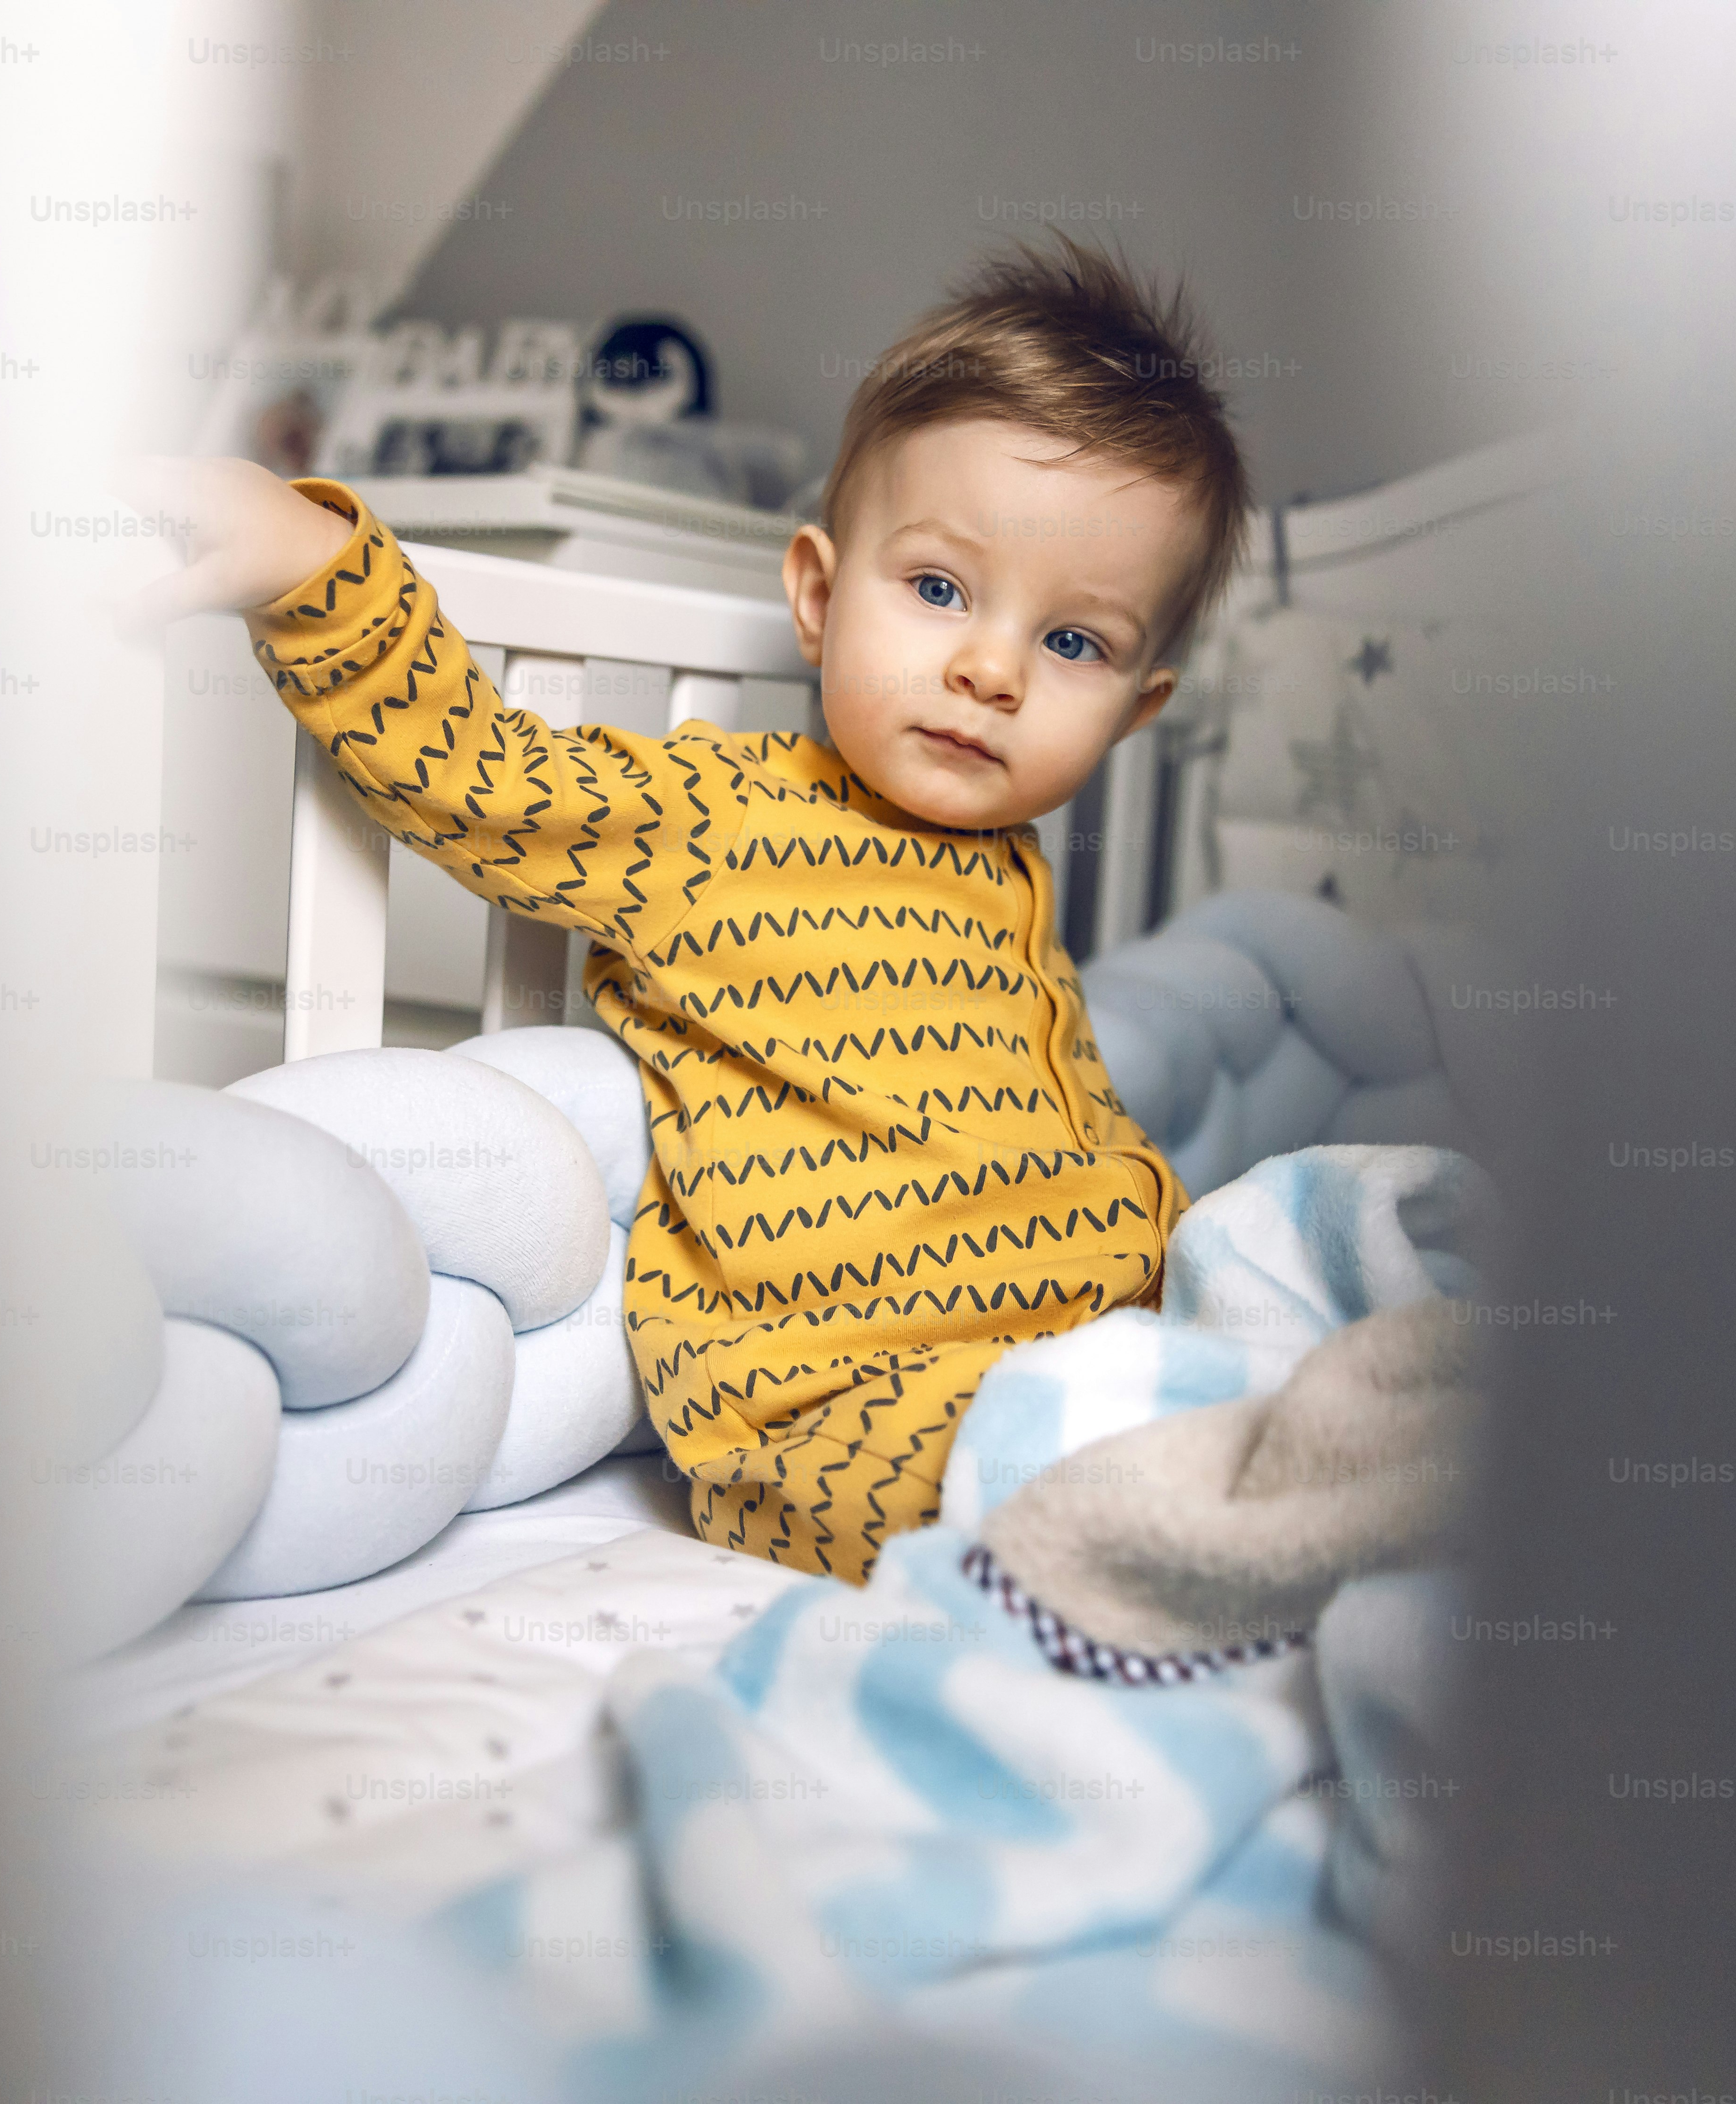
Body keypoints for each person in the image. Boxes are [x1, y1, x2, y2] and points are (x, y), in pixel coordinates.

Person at [129, 238, 1252, 1582]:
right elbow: (483, 775)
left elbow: (1075, 1117)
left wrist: (1177, 1251)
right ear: (822, 598)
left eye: (1073, 643)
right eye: (941, 590)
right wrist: (317, 569)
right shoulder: (715, 820)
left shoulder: (1003, 876)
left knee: (1325, 1304)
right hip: (833, 1408)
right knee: (1095, 1508)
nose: (992, 669)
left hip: (1086, 1336)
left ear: (1136, 710)